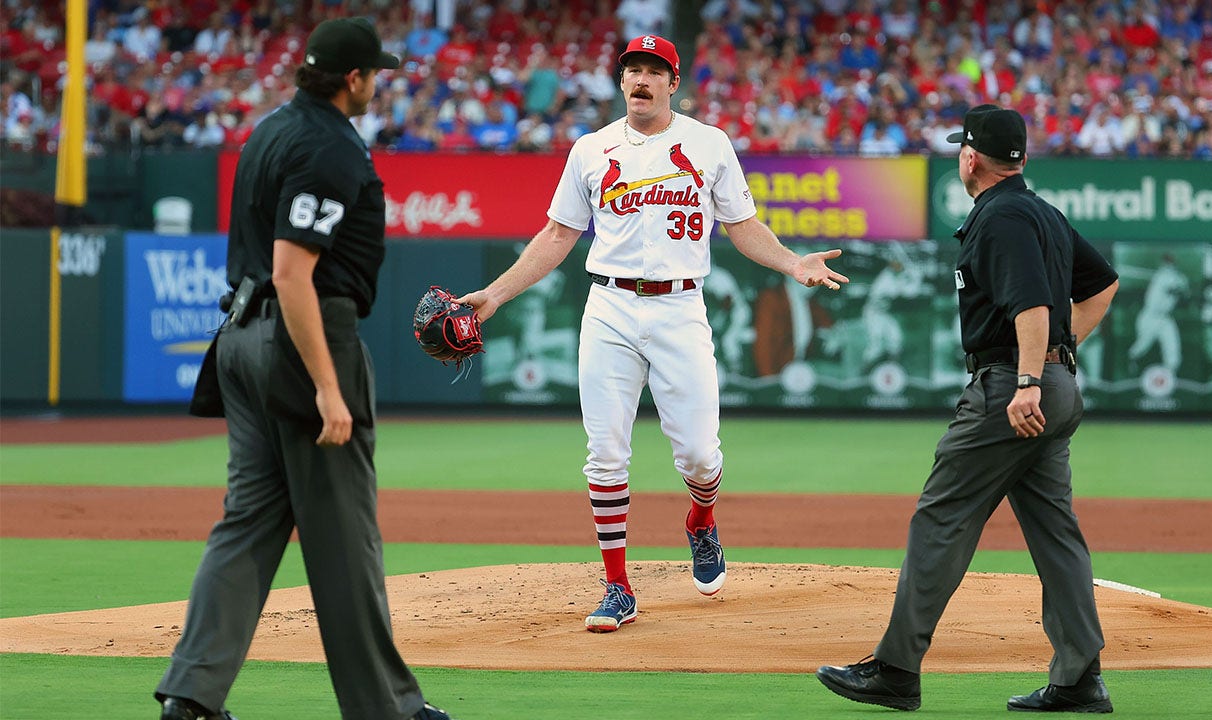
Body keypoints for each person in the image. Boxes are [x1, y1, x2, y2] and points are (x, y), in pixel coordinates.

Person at [456, 34, 848, 633]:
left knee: (698, 454)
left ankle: (702, 519)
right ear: (621, 82)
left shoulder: (708, 144)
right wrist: (497, 294)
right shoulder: (591, 150)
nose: (641, 79)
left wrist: (794, 263)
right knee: (605, 453)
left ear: (673, 81)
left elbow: (742, 227)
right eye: (632, 69)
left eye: (653, 70)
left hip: (679, 307)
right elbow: (558, 236)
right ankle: (617, 586)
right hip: (608, 305)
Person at [155, 18, 450, 720]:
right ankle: (388, 710)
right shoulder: (329, 148)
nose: (379, 81)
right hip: (302, 336)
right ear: (353, 79)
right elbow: (294, 272)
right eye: (374, 72)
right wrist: (327, 386)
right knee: (344, 535)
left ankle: (192, 697)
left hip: (239, 335)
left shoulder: (270, 129)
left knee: (248, 522)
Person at [815, 104, 1120, 713]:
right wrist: (1060, 355)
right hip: (1054, 385)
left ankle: (896, 670)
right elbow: (1103, 283)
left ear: (971, 158)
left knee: (942, 517)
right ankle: (1080, 676)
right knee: (1055, 531)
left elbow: (1031, 303)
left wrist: (1030, 378)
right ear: (1022, 159)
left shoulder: (1001, 216)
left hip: (1013, 387)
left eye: (961, 147)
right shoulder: (1043, 213)